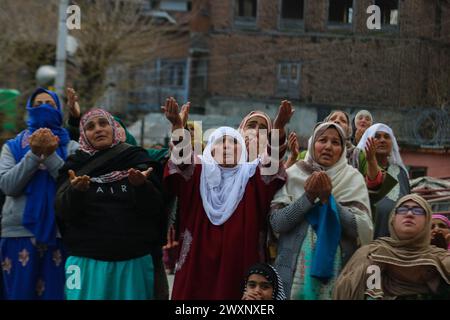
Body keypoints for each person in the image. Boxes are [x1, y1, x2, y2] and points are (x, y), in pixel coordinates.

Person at [163, 97, 290, 299]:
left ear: (243, 150)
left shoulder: (252, 175)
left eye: (233, 142)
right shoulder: (197, 173)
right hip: (197, 264)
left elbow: (271, 163)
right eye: (221, 142)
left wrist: (278, 129)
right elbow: (182, 159)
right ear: (210, 148)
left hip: (239, 263)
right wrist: (178, 126)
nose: (227, 146)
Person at [55, 108, 166, 300]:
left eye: (103, 123)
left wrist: (141, 187)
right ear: (83, 134)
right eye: (90, 126)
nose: (98, 129)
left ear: (114, 128)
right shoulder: (74, 166)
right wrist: (76, 192)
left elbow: (155, 210)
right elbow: (63, 212)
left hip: (133, 261)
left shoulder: (138, 160)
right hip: (85, 261)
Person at [270, 122, 373, 300]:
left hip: (337, 278)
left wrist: (329, 200)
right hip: (291, 276)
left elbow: (361, 230)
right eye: (322, 140)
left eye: (335, 142)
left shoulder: (352, 179)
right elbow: (277, 223)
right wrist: (308, 198)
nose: (328, 146)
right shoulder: (293, 174)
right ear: (312, 144)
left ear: (342, 149)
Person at [0, 88, 79, 299]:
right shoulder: (13, 147)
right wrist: (33, 156)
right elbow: (8, 185)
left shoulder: (72, 147)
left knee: (56, 294)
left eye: (49, 104)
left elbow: (73, 187)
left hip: (60, 234)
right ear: (29, 110)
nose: (43, 107)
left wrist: (51, 156)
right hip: (18, 232)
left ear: (58, 110)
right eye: (37, 104)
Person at [334, 194, 450, 300]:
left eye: (418, 211)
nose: (409, 214)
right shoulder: (370, 253)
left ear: (427, 221)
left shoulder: (442, 259)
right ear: (393, 219)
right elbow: (344, 292)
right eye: (403, 210)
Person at [355, 123, 410, 238]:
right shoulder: (356, 168)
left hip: (396, 239)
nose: (382, 140)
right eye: (377, 136)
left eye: (386, 137)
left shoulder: (401, 173)